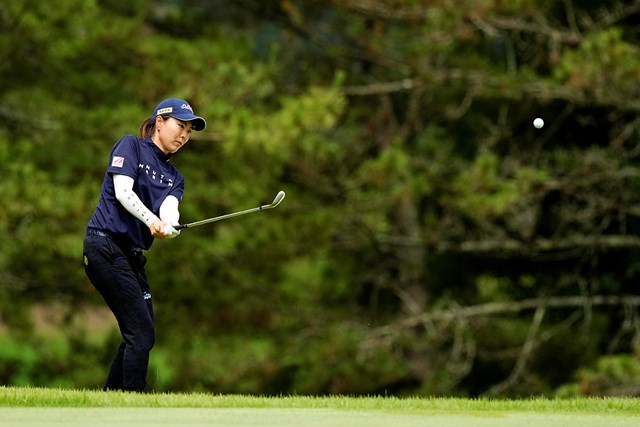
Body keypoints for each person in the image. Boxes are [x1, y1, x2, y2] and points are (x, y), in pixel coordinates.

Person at [82, 98, 206, 392]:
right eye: (180, 126)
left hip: (131, 257)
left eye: (189, 131)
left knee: (142, 333)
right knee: (140, 331)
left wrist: (170, 225)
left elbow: (170, 209)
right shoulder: (130, 146)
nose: (184, 135)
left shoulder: (175, 178)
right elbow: (123, 192)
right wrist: (152, 221)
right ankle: (133, 401)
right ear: (159, 122)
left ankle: (112, 399)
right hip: (104, 246)